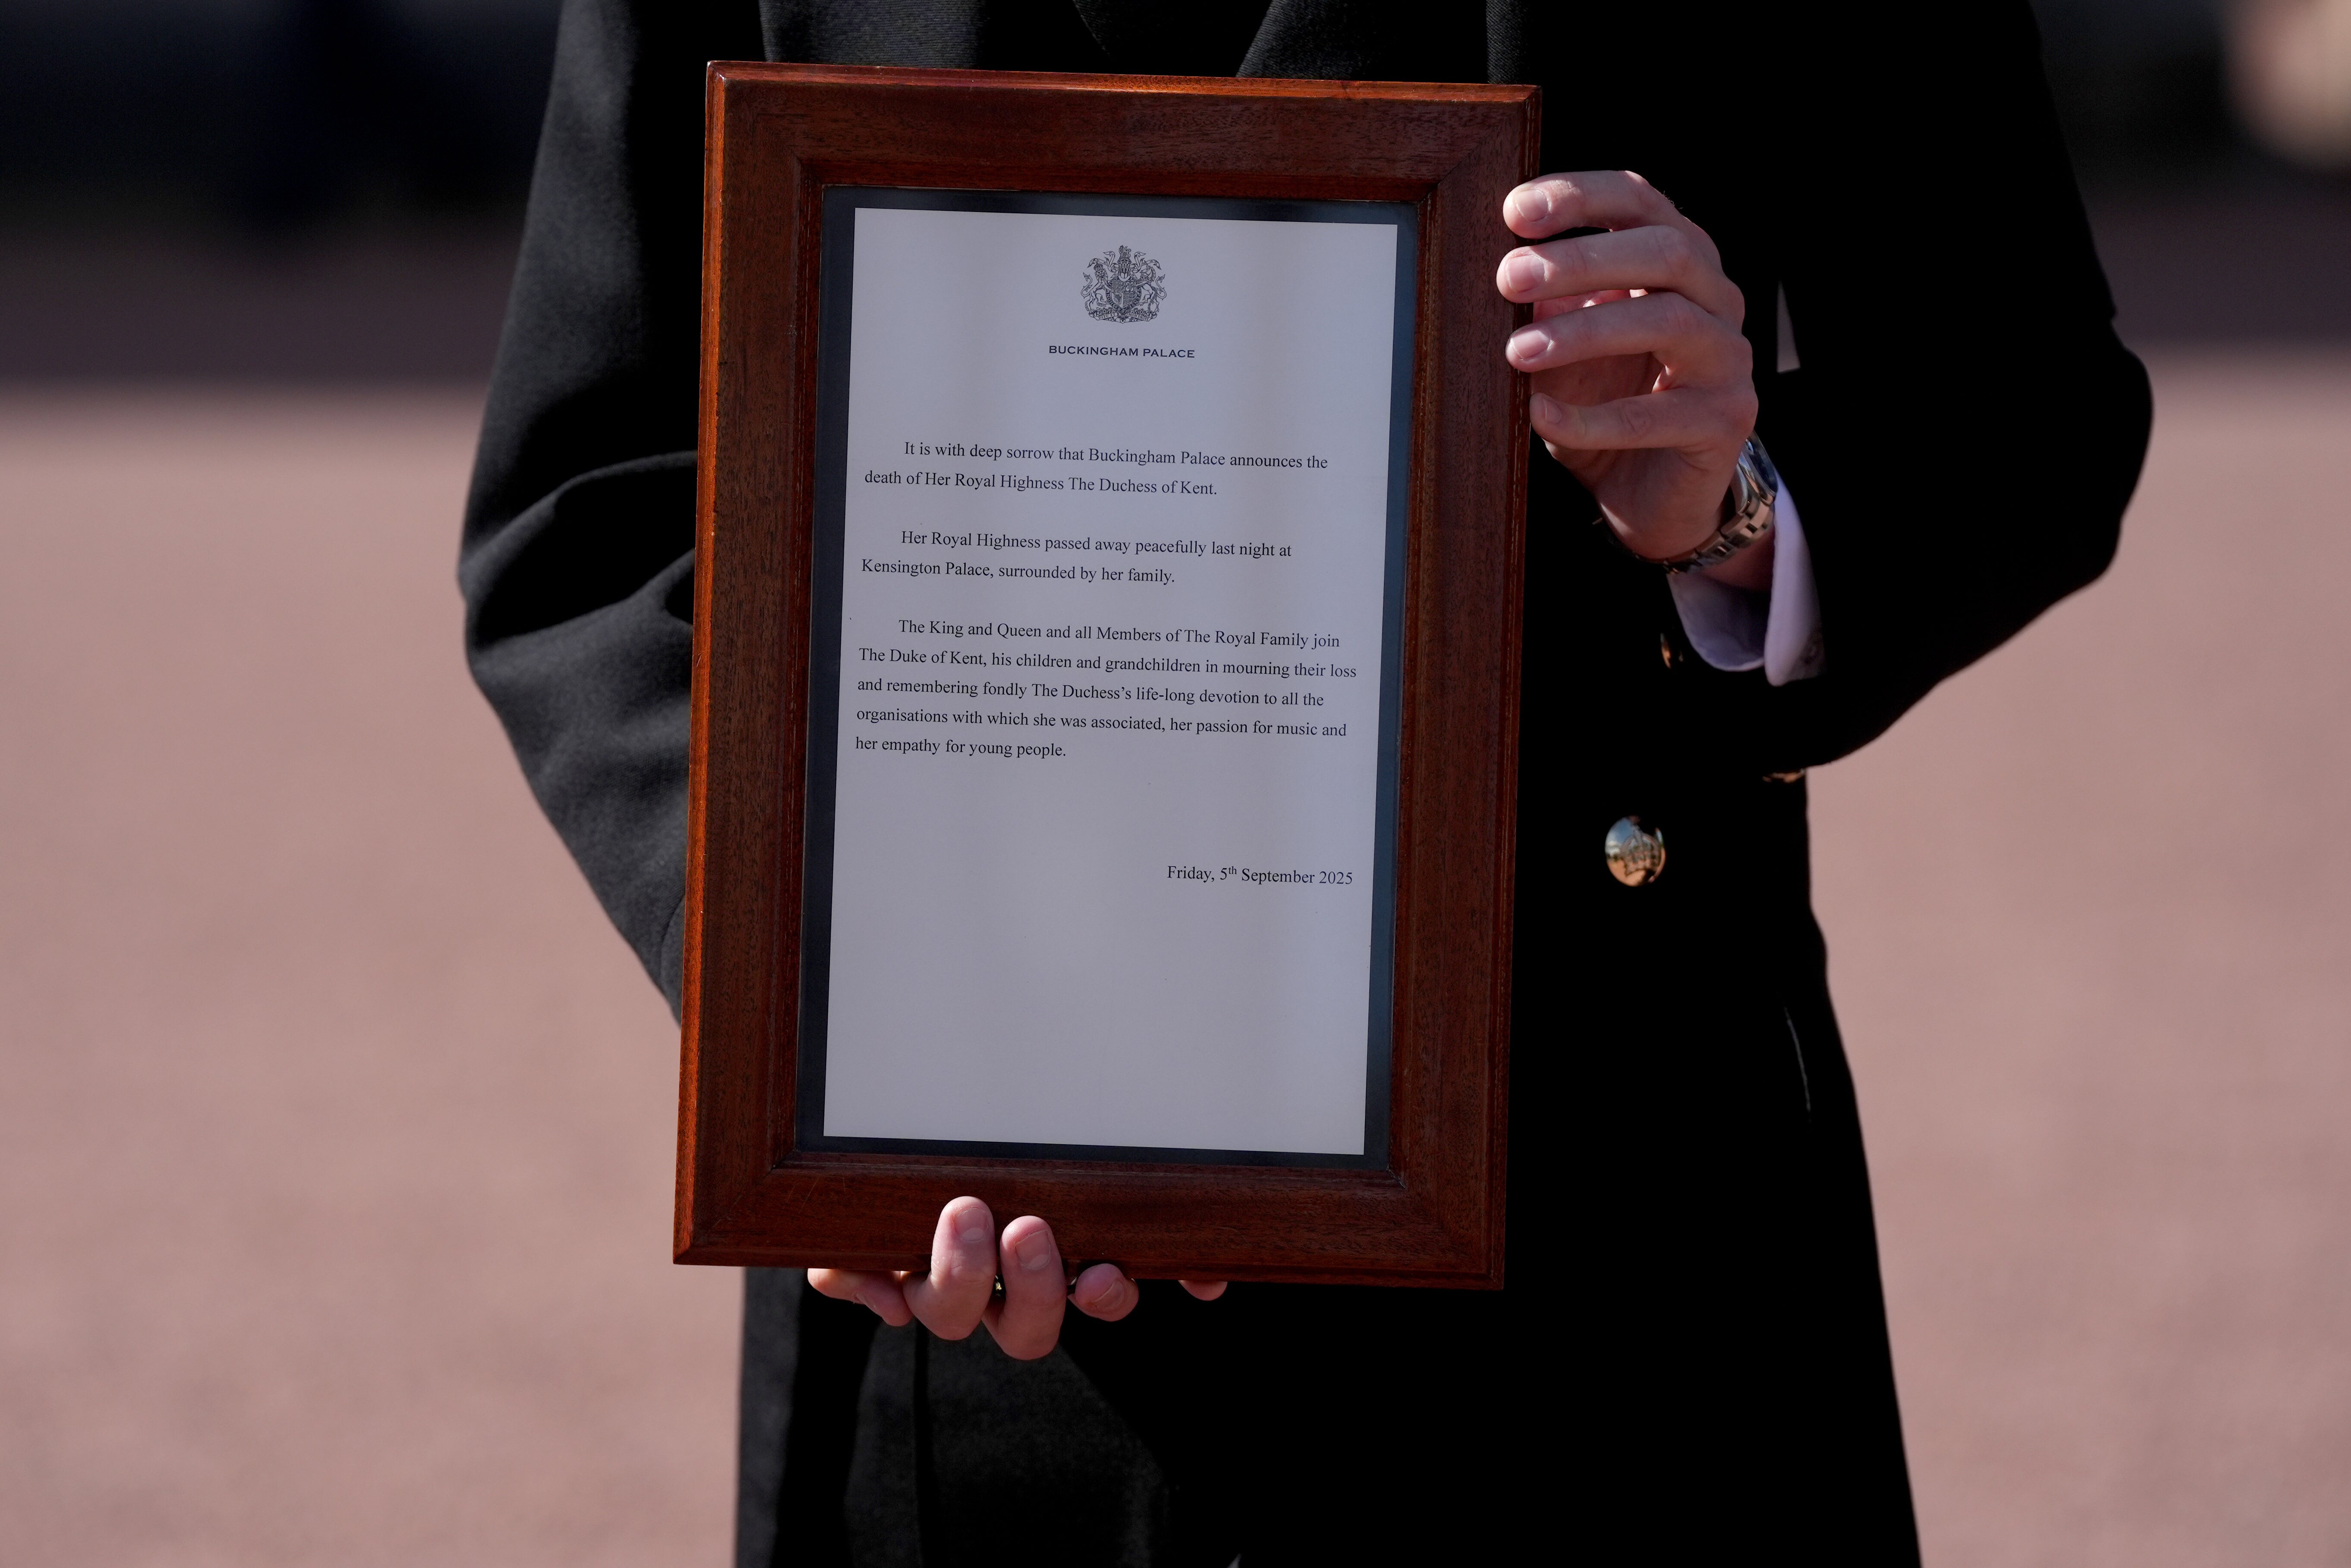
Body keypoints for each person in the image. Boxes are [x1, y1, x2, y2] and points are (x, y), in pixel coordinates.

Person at [461, 2, 2151, 1561]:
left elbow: (2025, 400)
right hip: (984, 1320)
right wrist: (810, 1021)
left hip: (1613, 1245)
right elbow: (596, 503)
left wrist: (1737, 505)